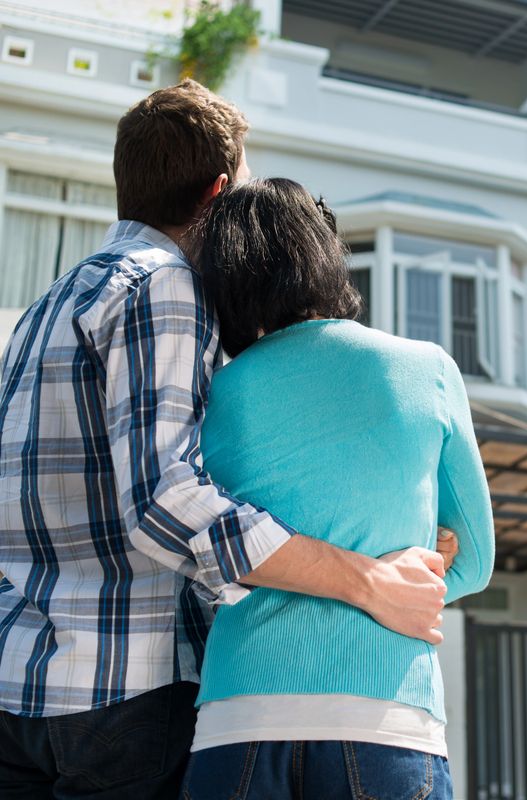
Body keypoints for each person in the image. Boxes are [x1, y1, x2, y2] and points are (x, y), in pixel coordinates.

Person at [0, 81, 457, 799]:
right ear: (218, 195)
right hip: (123, 693)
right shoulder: (163, 286)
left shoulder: (45, 307)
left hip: (19, 688)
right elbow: (164, 499)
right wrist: (368, 580)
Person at [179, 178, 495, 800]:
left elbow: (196, 541)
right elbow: (477, 561)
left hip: (238, 715)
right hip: (387, 717)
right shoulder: (426, 368)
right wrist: (407, 580)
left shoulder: (212, 390)